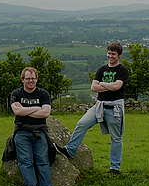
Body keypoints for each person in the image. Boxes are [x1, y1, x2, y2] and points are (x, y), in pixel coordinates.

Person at [55, 42, 129, 174]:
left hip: (114, 108)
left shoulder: (122, 70)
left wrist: (103, 83)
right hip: (99, 105)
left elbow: (117, 86)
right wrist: (109, 85)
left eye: (113, 54)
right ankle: (69, 150)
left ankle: (114, 168)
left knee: (116, 138)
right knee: (82, 124)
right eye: (109, 53)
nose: (110, 56)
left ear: (119, 55)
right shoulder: (102, 69)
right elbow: (93, 87)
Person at [10, 67, 53, 186]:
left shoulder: (43, 93)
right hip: (22, 132)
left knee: (43, 162)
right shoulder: (16, 94)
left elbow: (46, 113)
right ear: (23, 79)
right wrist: (37, 108)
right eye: (28, 78)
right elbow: (17, 111)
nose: (31, 81)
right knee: (25, 162)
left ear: (37, 79)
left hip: (40, 131)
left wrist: (25, 110)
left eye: (33, 78)